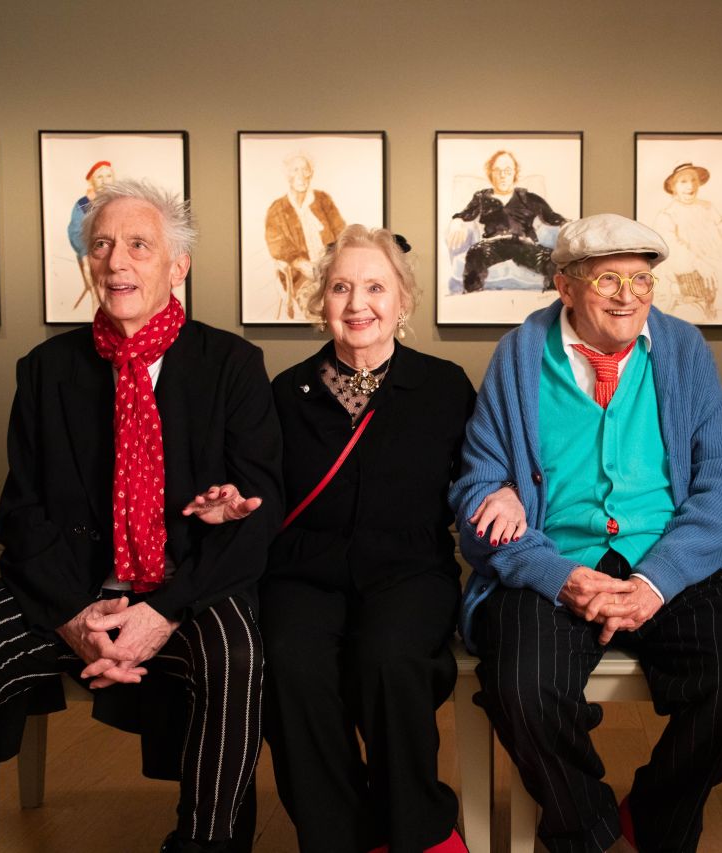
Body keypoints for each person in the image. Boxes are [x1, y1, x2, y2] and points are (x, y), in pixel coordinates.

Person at [0, 179, 283, 853]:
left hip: (185, 585)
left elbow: (258, 510)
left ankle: (208, 843)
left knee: (239, 656)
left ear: (178, 266)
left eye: (138, 244)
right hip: (69, 586)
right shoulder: (47, 369)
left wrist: (161, 612)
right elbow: (20, 515)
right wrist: (75, 615)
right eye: (101, 245)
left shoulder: (232, 365)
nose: (115, 261)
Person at [451, 213, 722, 853]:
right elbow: (476, 488)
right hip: (558, 559)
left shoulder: (683, 350)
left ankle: (655, 816)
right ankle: (587, 831)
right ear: (564, 285)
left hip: (670, 561)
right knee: (521, 688)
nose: (629, 296)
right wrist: (554, 569)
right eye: (608, 279)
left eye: (642, 280)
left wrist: (657, 581)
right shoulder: (518, 357)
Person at [237, 225, 518, 853]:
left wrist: (503, 489)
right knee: (290, 662)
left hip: (407, 569)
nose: (357, 303)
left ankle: (415, 828)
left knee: (389, 659)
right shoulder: (284, 392)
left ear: (403, 301)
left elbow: (482, 469)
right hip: (302, 572)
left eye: (374, 287)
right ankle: (338, 833)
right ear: (321, 303)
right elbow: (259, 490)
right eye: (340, 288)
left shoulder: (443, 385)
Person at [446, 150, 567, 292]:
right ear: (491, 173)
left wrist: (567, 224)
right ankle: (473, 296)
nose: (503, 175)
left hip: (523, 244)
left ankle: (550, 302)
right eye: (498, 171)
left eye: (508, 171)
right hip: (491, 245)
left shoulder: (528, 197)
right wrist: (456, 222)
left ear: (515, 173)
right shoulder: (481, 197)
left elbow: (552, 217)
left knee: (551, 260)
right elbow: (465, 214)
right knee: (475, 253)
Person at [653, 162, 722, 321]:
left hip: (719, 259)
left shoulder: (707, 207)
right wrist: (696, 262)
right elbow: (671, 246)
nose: (690, 186)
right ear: (673, 187)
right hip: (692, 268)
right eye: (683, 182)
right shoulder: (667, 215)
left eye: (694, 180)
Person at [264, 152, 347, 320]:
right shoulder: (277, 209)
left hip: (333, 270)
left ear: (311, 173)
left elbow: (341, 232)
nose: (301, 175)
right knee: (321, 312)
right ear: (288, 175)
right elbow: (277, 244)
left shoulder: (323, 200)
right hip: (300, 275)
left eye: (305, 170)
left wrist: (333, 265)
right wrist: (302, 265)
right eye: (295, 170)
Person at [67, 160, 115, 308]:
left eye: (108, 176)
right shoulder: (83, 204)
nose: (104, 180)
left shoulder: (120, 201)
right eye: (100, 177)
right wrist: (86, 253)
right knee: (99, 296)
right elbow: (75, 231)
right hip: (91, 255)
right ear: (92, 181)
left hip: (118, 256)